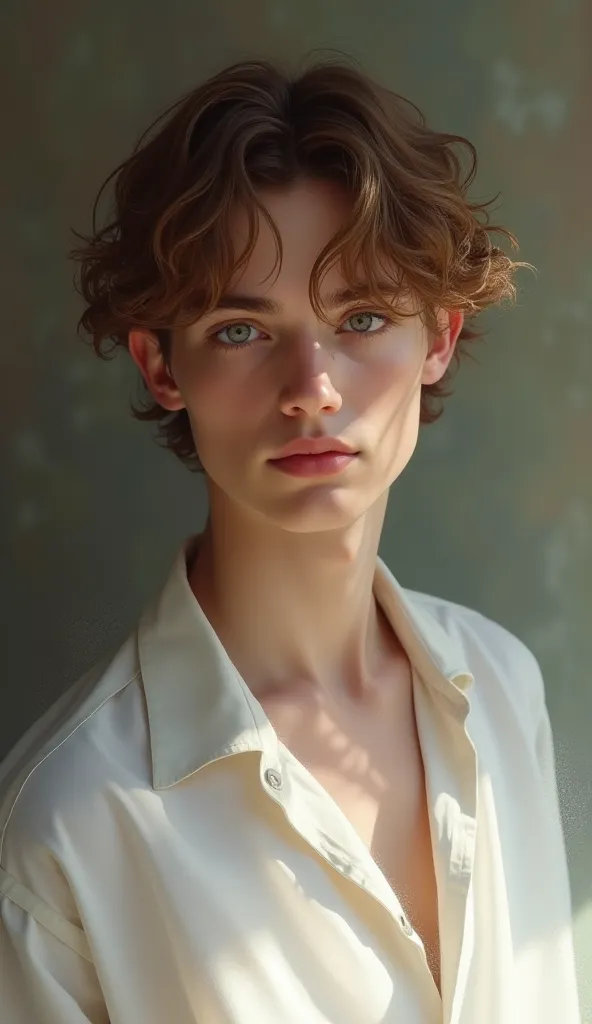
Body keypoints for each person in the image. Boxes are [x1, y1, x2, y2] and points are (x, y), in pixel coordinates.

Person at [0, 53, 581, 1024]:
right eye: (241, 328)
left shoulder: (502, 687)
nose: (311, 383)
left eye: (360, 317)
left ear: (436, 338)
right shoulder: (63, 832)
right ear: (160, 363)